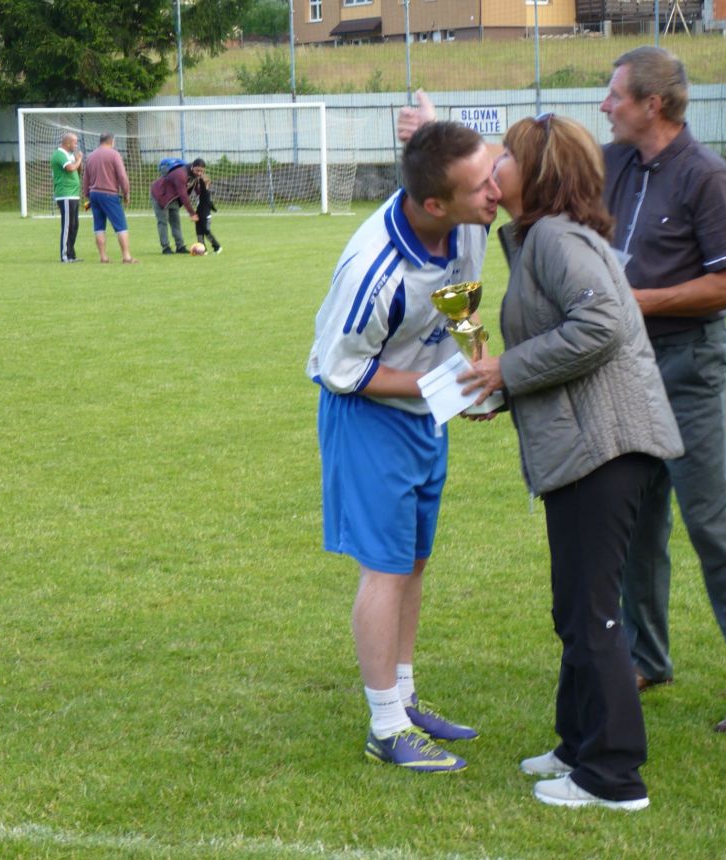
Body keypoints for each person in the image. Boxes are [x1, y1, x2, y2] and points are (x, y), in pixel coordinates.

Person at [459, 115, 683, 810]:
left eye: (506, 158)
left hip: (605, 447)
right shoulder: (546, 238)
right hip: (592, 445)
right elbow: (563, 340)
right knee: (576, 608)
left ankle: (612, 775)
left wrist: (507, 369)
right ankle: (578, 743)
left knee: (592, 613)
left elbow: (600, 325)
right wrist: (502, 388)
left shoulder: (556, 238)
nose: (495, 168)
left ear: (537, 173)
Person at [601, 46, 726, 732]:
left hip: (689, 364)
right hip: (630, 366)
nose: (604, 105)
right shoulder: (614, 162)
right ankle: (644, 657)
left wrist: (640, 302)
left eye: (615, 95)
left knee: (709, 521)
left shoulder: (706, 176)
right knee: (637, 521)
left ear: (652, 104)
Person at [306, 120, 499, 773]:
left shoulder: (466, 221)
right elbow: (341, 370)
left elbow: (458, 299)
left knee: (414, 559)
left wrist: (475, 367)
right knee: (385, 568)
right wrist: (444, 385)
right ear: (435, 203)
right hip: (368, 417)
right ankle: (386, 727)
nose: (496, 191)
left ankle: (406, 699)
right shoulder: (375, 269)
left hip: (423, 412)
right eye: (482, 185)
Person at [82, 132, 137, 264]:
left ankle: (103, 257)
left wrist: (87, 194)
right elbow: (122, 176)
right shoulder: (114, 154)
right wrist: (126, 192)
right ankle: (126, 257)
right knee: (121, 226)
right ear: (111, 141)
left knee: (99, 227)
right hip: (109, 194)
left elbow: (85, 178)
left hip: (94, 194)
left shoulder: (90, 156)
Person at [149, 157, 200, 254]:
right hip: (159, 195)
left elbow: (198, 190)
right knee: (162, 222)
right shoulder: (180, 174)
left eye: (202, 171)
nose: (200, 173)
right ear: (192, 167)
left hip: (172, 198)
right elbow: (183, 195)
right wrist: (192, 213)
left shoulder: (195, 175)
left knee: (176, 222)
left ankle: (180, 246)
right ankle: (166, 248)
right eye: (198, 170)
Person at [52, 133, 83, 263]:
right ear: (68, 143)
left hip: (74, 194)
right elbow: (70, 168)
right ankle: (65, 256)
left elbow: (78, 170)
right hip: (65, 195)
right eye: (75, 143)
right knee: (67, 226)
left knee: (74, 225)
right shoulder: (59, 154)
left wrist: (78, 161)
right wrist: (79, 160)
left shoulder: (70, 155)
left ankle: (71, 255)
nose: (76, 145)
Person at [189, 161, 222, 254]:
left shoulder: (205, 192)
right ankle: (203, 250)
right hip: (199, 215)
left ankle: (217, 247)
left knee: (206, 231)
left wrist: (200, 178)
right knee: (199, 233)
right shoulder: (203, 194)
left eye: (202, 184)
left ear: (207, 184)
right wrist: (214, 209)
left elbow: (208, 202)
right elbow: (209, 203)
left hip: (205, 217)